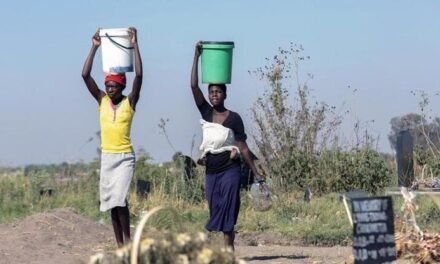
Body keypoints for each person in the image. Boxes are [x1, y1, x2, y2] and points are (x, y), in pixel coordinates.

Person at [190, 41, 264, 250]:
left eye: (218, 92)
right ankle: (225, 243)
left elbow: (243, 147)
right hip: (212, 170)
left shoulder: (234, 118)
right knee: (215, 209)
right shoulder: (206, 112)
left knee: (229, 206)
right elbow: (194, 86)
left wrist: (256, 172)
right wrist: (196, 56)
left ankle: (228, 247)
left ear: (225, 94)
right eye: (211, 92)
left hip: (230, 170)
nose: (214, 95)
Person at [82, 27, 143, 247]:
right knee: (111, 204)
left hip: (125, 157)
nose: (109, 89)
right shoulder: (102, 101)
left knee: (120, 200)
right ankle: (120, 245)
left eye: (114, 85)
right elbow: (85, 75)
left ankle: (127, 242)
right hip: (107, 157)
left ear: (122, 86)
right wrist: (95, 46)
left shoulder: (130, 102)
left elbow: (139, 76)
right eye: (107, 85)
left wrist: (135, 44)